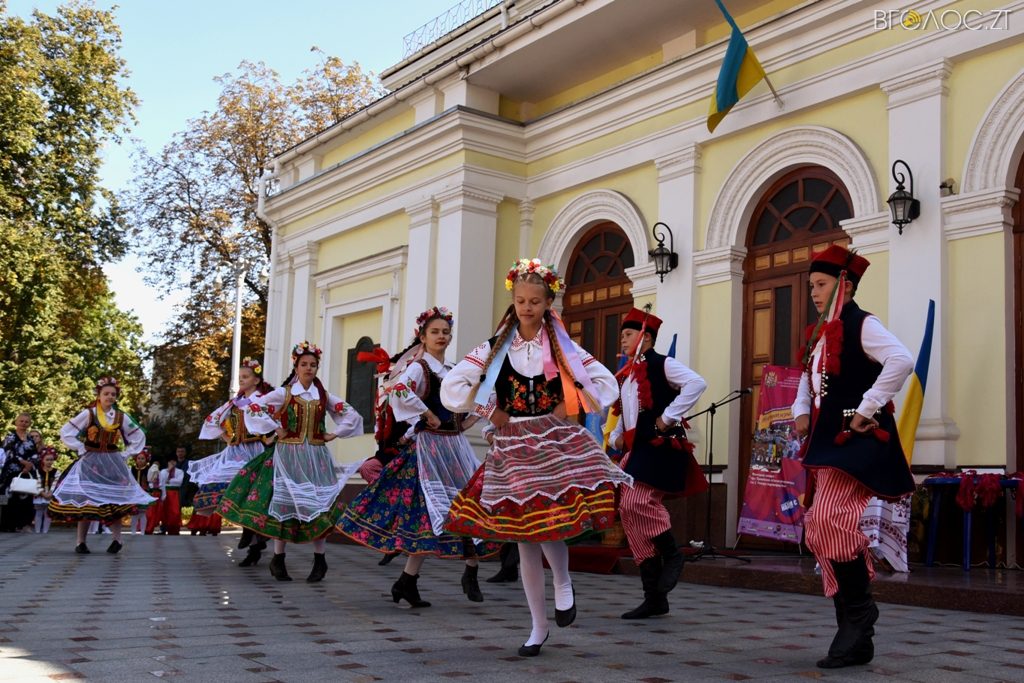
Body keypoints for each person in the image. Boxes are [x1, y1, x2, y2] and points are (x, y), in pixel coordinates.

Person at [441, 258, 633, 656]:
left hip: (551, 440)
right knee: (525, 537)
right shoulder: (495, 346)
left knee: (549, 525)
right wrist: (490, 411)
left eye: (534, 301)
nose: (526, 307)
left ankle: (562, 583)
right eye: (521, 301)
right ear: (513, 301)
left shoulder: (562, 347)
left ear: (548, 303)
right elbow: (453, 385)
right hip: (513, 443)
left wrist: (570, 405)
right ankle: (537, 626)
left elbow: (604, 383)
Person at [792, 245, 915, 669]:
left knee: (829, 520)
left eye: (821, 284)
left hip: (856, 441)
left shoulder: (863, 323)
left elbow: (901, 360)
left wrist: (868, 406)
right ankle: (855, 628)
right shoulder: (819, 333)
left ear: (844, 285)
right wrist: (801, 410)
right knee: (819, 527)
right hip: (827, 444)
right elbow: (807, 378)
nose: (813, 292)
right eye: (811, 285)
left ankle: (859, 616)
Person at [339, 306, 496, 606]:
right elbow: (397, 390)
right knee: (431, 513)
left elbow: (473, 399)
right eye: (435, 332)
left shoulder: (453, 370)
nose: (441, 336)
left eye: (445, 332)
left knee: (469, 504)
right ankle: (410, 581)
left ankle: (464, 571)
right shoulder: (418, 367)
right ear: (422, 337)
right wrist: (426, 414)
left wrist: (470, 421)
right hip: (429, 449)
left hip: (454, 446)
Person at [219, 340, 363, 582]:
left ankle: (320, 560)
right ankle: (278, 558)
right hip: (288, 456)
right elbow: (253, 407)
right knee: (284, 507)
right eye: (304, 364)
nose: (309, 368)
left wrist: (333, 434)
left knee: (320, 507)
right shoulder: (284, 393)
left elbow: (351, 414)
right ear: (296, 367)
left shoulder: (324, 396)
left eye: (313, 365)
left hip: (316, 458)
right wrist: (275, 427)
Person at [610, 308, 708, 620]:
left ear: (646, 338)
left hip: (659, 447)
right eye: (622, 335)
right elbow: (626, 412)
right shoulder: (626, 375)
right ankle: (654, 597)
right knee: (629, 512)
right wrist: (615, 436)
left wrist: (668, 417)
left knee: (637, 501)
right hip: (637, 449)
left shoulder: (662, 363)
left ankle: (672, 553)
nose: (623, 340)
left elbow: (697, 383)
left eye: (628, 334)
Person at [49, 377, 153, 553]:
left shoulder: (121, 416)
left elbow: (138, 436)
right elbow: (66, 432)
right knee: (86, 502)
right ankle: (80, 542)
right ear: (99, 395)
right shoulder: (89, 413)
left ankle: (117, 540)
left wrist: (126, 453)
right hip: (90, 461)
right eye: (106, 393)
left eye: (113, 394)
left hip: (112, 463)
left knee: (114, 501)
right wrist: (80, 447)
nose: (110, 397)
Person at [191, 357, 273, 560]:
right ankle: (252, 537)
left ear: (256, 380)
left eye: (245, 377)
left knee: (251, 492)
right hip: (236, 451)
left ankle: (254, 539)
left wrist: (269, 439)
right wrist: (228, 438)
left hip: (256, 451)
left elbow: (276, 421)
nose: (241, 380)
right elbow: (212, 420)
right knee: (230, 488)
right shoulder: (235, 403)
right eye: (240, 377)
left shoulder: (264, 400)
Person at [0, 412, 40, 532]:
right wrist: (23, 462)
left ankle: (23, 524)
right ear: (16, 422)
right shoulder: (10, 437)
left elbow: (35, 454)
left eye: (26, 422)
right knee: (10, 500)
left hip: (26, 473)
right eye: (21, 421)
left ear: (30, 424)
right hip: (11, 472)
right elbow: (8, 453)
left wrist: (29, 465)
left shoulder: (30, 439)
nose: (23, 423)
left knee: (25, 499)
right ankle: (8, 525)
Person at [33, 447, 58, 533]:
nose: (49, 462)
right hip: (39, 494)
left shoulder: (56, 471)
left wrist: (50, 492)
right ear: (42, 460)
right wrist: (42, 493)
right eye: (47, 460)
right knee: (39, 512)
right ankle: (37, 531)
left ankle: (45, 531)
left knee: (48, 513)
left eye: (51, 460)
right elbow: (37, 482)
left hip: (50, 495)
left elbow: (56, 482)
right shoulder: (38, 471)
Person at [158, 455, 185, 535]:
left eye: (173, 462)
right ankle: (163, 528)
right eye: (170, 462)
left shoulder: (180, 471)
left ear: (176, 462)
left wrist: (169, 481)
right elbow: (162, 481)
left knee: (174, 511)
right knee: (164, 511)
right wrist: (168, 471)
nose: (172, 463)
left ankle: (174, 529)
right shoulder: (163, 471)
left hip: (174, 493)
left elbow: (179, 481)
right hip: (165, 492)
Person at [128, 448, 153, 534]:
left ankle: (142, 531)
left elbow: (150, 481)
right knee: (134, 513)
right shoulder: (132, 469)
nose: (140, 460)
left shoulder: (148, 469)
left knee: (143, 513)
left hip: (144, 492)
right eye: (138, 458)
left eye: (142, 458)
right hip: (134, 493)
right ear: (136, 459)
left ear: (146, 460)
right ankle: (133, 531)